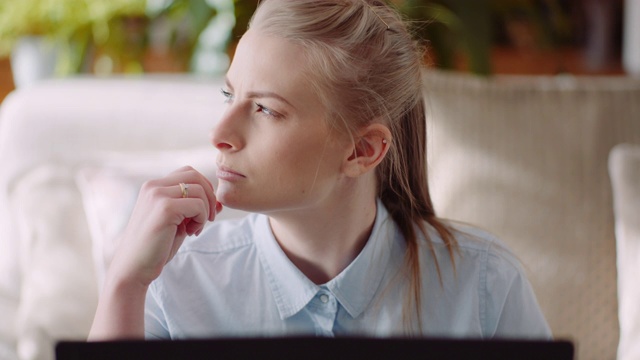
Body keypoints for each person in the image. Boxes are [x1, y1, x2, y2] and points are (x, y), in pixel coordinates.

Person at [89, 0, 551, 340]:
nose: (220, 133)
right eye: (230, 96)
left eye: (266, 109)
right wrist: (123, 284)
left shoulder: (485, 285)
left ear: (362, 151)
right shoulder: (176, 281)